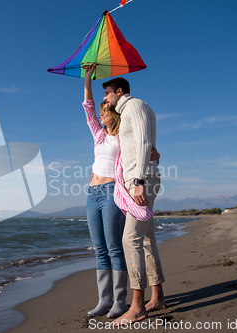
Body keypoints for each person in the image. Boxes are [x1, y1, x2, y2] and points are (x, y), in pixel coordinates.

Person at [82, 64, 159, 319]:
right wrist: (88, 78)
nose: (101, 114)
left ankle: (120, 300)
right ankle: (104, 299)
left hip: (113, 191)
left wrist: (153, 153)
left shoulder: (121, 137)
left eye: (105, 111)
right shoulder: (99, 136)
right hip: (92, 193)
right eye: (101, 111)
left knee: (117, 246)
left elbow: (141, 142)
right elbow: (88, 108)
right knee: (99, 248)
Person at [101, 76, 166, 324]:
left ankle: (137, 306)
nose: (105, 98)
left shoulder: (135, 105)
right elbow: (146, 144)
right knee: (147, 239)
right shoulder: (135, 109)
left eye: (107, 93)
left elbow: (142, 142)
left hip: (141, 180)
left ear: (119, 91)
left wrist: (138, 181)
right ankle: (157, 296)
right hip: (139, 178)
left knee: (130, 239)